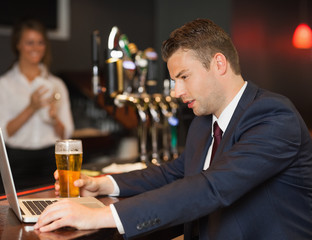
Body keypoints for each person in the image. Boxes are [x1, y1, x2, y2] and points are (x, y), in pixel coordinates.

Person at [34, 19, 312, 239]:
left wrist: (100, 217)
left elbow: (211, 187)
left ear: (219, 64)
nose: (177, 92)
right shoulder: (204, 123)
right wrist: (103, 184)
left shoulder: (274, 116)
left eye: (183, 77)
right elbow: (174, 173)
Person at [0, 19, 74, 190]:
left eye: (40, 43)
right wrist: (32, 108)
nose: (36, 48)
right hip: (16, 164)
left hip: (51, 162)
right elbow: (3, 134)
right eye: (30, 43)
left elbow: (66, 133)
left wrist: (53, 118)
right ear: (18, 45)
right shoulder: (4, 84)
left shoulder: (56, 84)